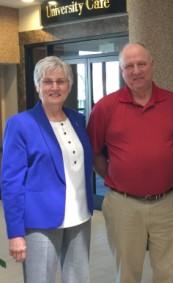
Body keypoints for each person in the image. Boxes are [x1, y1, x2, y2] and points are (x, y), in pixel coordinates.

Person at [87, 43, 173, 283]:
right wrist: (114, 176)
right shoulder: (105, 107)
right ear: (122, 70)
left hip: (167, 203)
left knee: (169, 272)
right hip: (123, 205)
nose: (136, 71)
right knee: (127, 273)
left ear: (152, 65)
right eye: (129, 66)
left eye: (141, 64)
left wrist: (172, 170)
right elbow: (93, 153)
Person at [1, 56, 94, 282]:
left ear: (69, 86)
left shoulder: (77, 119)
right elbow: (11, 182)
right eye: (47, 81)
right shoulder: (20, 124)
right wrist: (15, 233)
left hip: (80, 216)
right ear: (37, 86)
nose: (54, 87)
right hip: (39, 220)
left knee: (78, 279)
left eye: (60, 81)